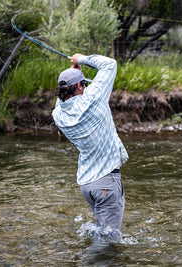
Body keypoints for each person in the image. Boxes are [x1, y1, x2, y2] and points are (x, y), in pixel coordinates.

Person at [52, 54, 128, 237]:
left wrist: (71, 74)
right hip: (106, 182)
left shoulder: (58, 116)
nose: (87, 87)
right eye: (84, 84)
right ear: (79, 86)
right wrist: (82, 58)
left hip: (87, 184)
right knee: (108, 241)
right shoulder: (92, 99)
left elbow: (62, 101)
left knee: (102, 231)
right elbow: (110, 64)